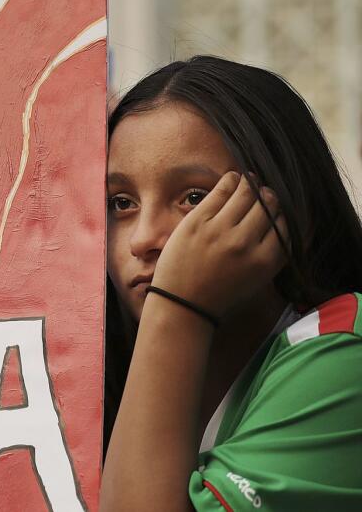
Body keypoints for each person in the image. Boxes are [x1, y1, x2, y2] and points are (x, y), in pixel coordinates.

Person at [101, 56, 362, 511]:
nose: (143, 239)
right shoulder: (82, 380)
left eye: (194, 197)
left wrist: (176, 306)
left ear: (284, 205)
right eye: (121, 202)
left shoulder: (344, 352)